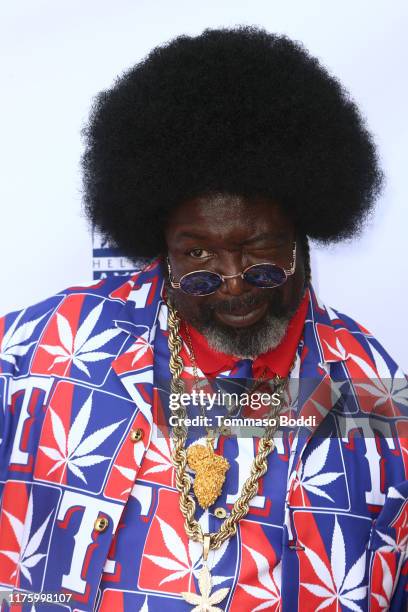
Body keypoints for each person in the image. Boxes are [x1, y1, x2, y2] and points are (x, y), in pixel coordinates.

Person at [0, 26, 406, 612]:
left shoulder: (374, 389)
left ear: (304, 233)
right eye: (198, 254)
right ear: (160, 245)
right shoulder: (39, 352)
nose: (234, 281)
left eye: (261, 247)